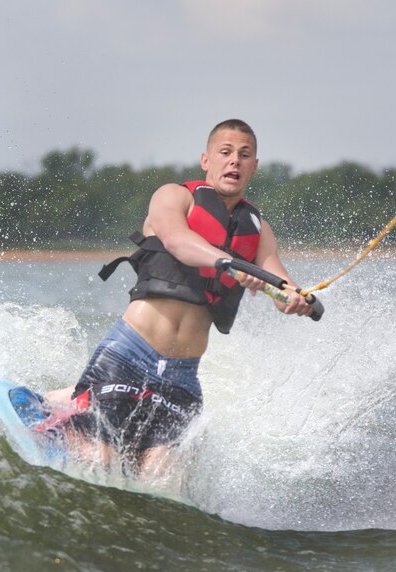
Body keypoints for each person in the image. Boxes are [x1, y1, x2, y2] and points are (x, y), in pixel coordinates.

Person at [45, 119, 314, 476]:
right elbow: (177, 241)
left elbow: (279, 284)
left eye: (244, 155)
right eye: (226, 152)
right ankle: (60, 408)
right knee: (101, 463)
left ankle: (77, 399)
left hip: (181, 375)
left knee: (161, 479)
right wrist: (230, 264)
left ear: (254, 166)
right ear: (206, 160)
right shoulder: (174, 196)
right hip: (130, 353)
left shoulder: (257, 229)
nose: (235, 161)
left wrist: (296, 298)